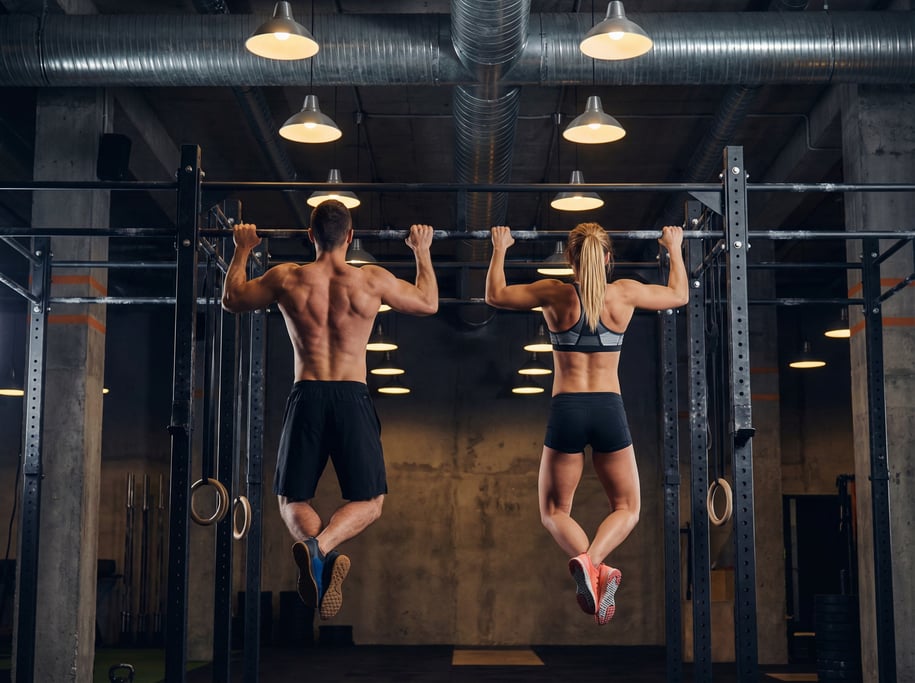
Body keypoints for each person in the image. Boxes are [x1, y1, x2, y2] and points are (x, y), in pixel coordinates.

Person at [222, 199, 438, 620]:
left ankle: (315, 551)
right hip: (352, 397)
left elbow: (232, 299)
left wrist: (243, 248)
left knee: (290, 499)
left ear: (310, 236)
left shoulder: (287, 278)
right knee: (370, 501)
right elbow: (428, 302)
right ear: (352, 237)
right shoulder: (370, 280)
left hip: (307, 394)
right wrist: (422, 251)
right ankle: (320, 550)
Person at [485, 222, 687, 625]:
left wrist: (500, 247)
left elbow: (495, 295)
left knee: (554, 511)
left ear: (569, 260)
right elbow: (679, 295)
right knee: (628, 508)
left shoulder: (554, 293)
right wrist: (674, 247)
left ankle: (591, 565)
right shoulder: (624, 293)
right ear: (608, 258)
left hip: (567, 410)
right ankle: (596, 563)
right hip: (609, 409)